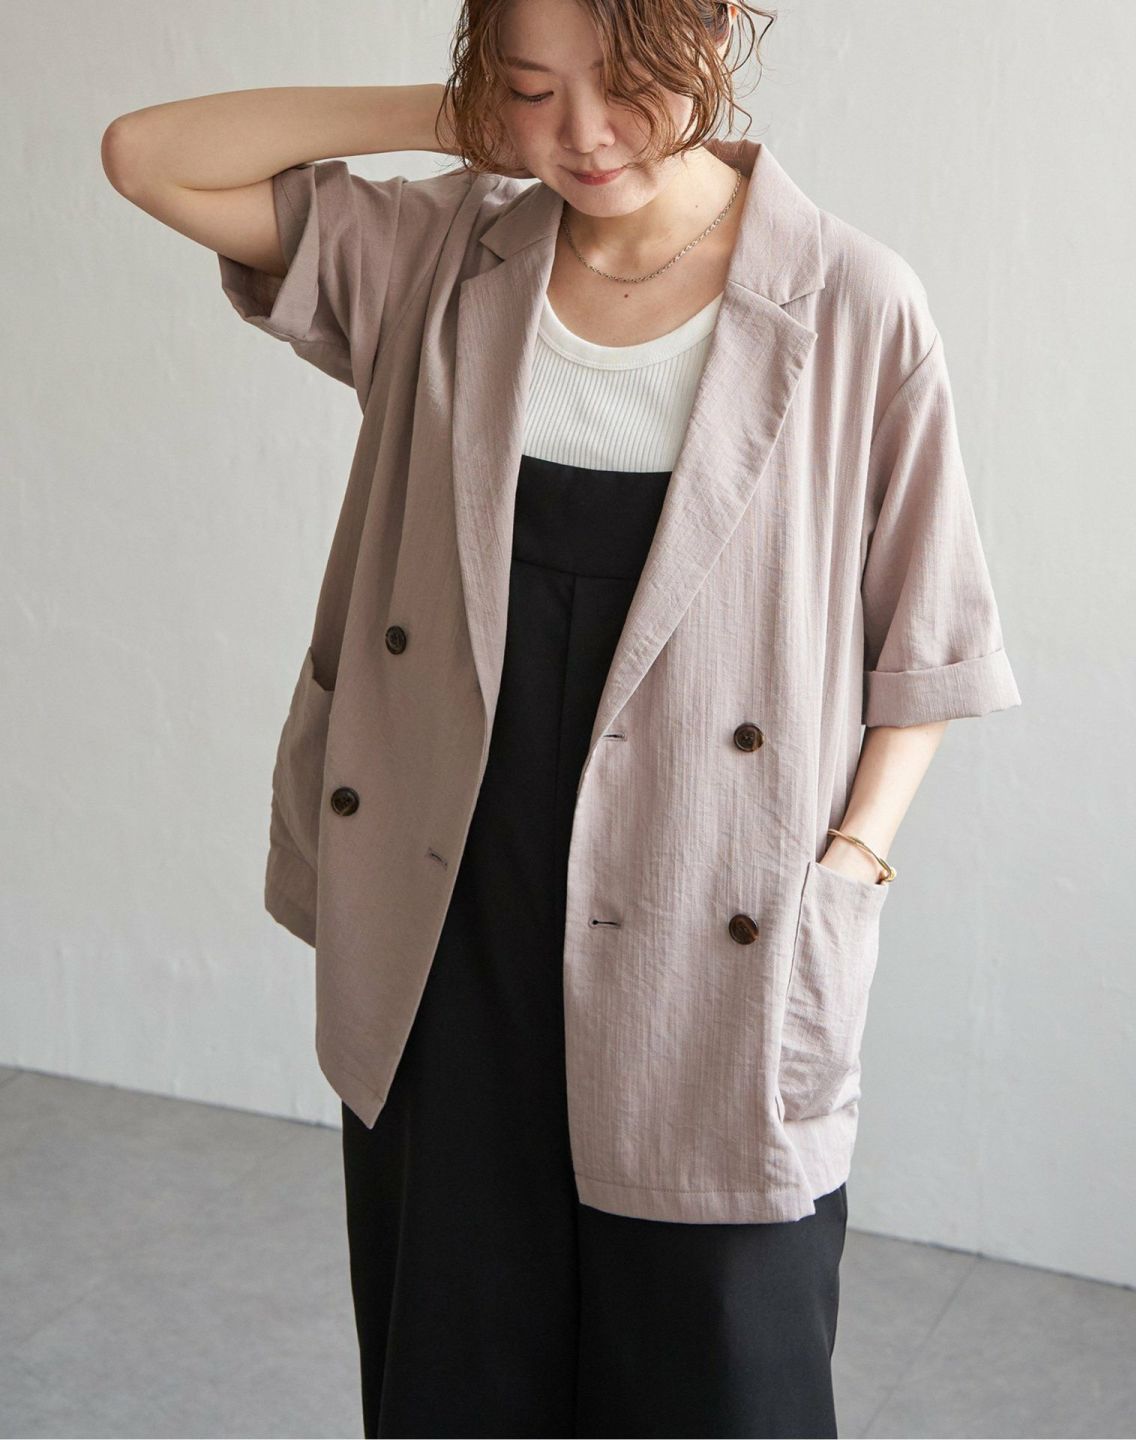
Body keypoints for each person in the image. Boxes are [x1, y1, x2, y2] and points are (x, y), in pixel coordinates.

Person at [101, 2, 1020, 1435]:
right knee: (455, 1365)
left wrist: (852, 862)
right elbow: (146, 156)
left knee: (724, 1374)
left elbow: (931, 644)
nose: (585, 136)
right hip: (451, 902)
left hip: (713, 909)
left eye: (630, 83)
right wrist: (459, 118)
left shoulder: (851, 302)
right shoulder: (442, 253)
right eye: (537, 89)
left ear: (715, 32)